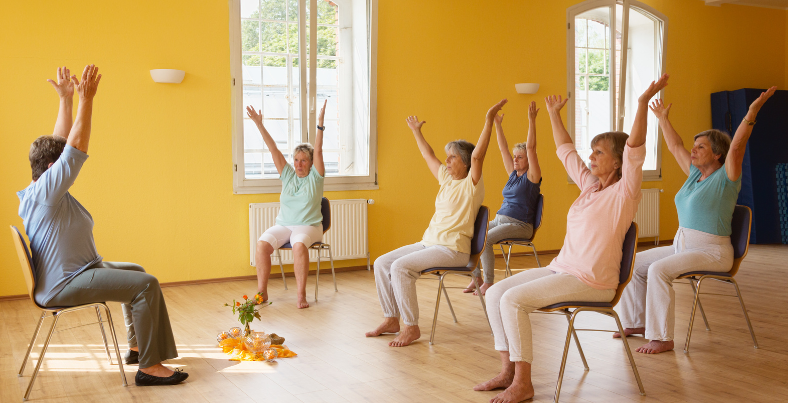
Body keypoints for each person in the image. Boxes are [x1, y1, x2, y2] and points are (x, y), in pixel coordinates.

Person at [475, 75, 669, 403]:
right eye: (591, 152)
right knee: (495, 293)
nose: (590, 158)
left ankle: (523, 382)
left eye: (598, 153)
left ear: (618, 162)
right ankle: (507, 371)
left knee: (513, 300)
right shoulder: (590, 187)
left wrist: (640, 105)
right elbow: (565, 151)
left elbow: (635, 148)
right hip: (562, 269)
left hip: (593, 281)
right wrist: (553, 115)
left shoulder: (625, 193)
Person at [17, 65, 188, 386]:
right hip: (64, 284)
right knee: (146, 284)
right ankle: (149, 368)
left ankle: (139, 347)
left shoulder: (39, 189)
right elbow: (74, 147)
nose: (68, 165)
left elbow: (62, 145)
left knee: (136, 271)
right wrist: (86, 99)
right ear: (54, 169)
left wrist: (66, 101)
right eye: (63, 164)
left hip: (75, 272)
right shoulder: (48, 192)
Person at [615, 86, 777, 354]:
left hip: (713, 252)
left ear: (717, 154)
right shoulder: (693, 175)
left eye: (701, 147)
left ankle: (663, 338)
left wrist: (752, 110)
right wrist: (663, 119)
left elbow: (737, 146)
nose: (693, 150)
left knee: (659, 270)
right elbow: (675, 145)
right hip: (683, 248)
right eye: (695, 145)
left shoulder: (726, 177)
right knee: (635, 263)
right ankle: (636, 322)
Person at [365, 99, 507, 347]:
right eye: (448, 157)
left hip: (454, 250)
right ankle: (391, 319)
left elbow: (479, 155)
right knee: (382, 263)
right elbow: (427, 154)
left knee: (399, 268)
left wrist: (488, 121)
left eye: (452, 157)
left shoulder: (471, 184)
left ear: (465, 162)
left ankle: (411, 326)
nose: (447, 161)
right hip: (429, 243)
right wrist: (416, 132)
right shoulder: (446, 180)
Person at [247, 100, 328, 309]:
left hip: (310, 226)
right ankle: (262, 292)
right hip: (285, 224)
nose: (299, 164)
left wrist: (320, 125)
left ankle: (301, 295)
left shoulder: (315, 178)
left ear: (311, 163)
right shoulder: (288, 175)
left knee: (299, 244)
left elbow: (318, 151)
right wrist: (258, 123)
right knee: (262, 245)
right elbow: (273, 149)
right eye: (296, 160)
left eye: (304, 160)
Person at [464, 101, 542, 296]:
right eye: (515, 156)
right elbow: (503, 149)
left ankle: (489, 283)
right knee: (468, 233)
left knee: (486, 240)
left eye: (520, 157)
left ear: (528, 160)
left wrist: (531, 120)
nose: (515, 159)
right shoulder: (512, 175)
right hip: (501, 219)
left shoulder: (532, 177)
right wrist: (497, 124)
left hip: (521, 225)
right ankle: (477, 278)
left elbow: (531, 147)